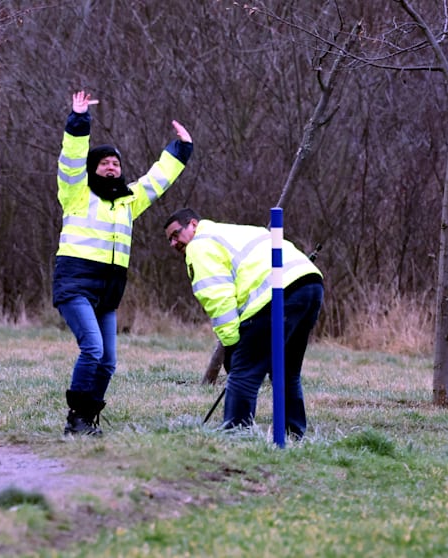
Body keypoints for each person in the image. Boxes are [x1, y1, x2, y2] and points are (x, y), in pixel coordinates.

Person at [54, 90, 193, 436]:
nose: (112, 167)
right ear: (92, 169)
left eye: (116, 163)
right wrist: (79, 118)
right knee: (93, 349)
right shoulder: (76, 193)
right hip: (75, 284)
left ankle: (87, 419)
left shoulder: (129, 201)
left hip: (108, 292)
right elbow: (71, 157)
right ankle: (76, 418)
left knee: (109, 362)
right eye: (104, 163)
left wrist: (181, 149)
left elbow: (157, 181)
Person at [163, 208, 323, 438]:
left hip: (276, 293)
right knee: (287, 371)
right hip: (310, 285)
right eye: (169, 239)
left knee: (244, 370)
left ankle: (236, 434)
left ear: (193, 225)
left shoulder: (199, 245)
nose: (173, 243)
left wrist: (231, 345)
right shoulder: (232, 231)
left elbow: (218, 298)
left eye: (176, 234)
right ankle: (295, 435)